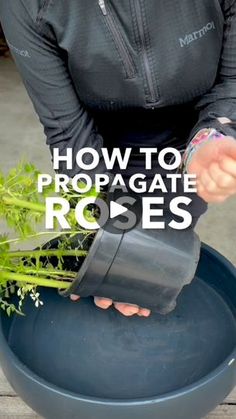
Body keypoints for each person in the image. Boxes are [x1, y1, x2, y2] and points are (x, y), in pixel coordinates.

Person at [1, 0, 236, 317]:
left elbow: (232, 81)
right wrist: (102, 229)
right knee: (118, 269)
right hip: (101, 134)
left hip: (194, 126)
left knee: (166, 256)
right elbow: (68, 131)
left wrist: (213, 135)